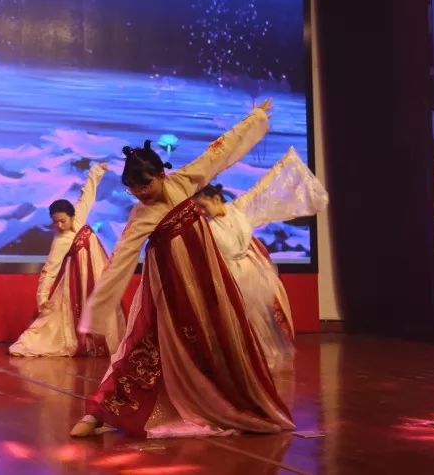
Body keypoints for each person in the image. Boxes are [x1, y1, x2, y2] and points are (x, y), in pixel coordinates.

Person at [71, 101, 294, 439]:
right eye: (133, 188)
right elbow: (119, 263)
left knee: (219, 339)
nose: (140, 193)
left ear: (161, 175)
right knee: (149, 343)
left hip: (208, 280)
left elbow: (220, 151)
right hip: (173, 287)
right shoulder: (141, 216)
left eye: (146, 184)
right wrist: (97, 311)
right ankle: (101, 412)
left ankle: (231, 402)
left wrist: (255, 119)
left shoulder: (184, 182)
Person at [194, 146, 328, 371]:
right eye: (199, 208)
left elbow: (261, 189)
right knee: (235, 322)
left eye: (203, 206)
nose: (202, 211)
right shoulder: (206, 227)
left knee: (260, 320)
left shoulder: (238, 208)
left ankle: (262, 360)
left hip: (251, 273)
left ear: (216, 199)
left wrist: (281, 166)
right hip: (229, 277)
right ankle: (237, 363)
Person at [9, 162, 124, 357]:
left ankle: (103, 343)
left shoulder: (79, 217)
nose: (60, 226)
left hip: (98, 272)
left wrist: (96, 170)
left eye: (63, 220)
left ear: (71, 216)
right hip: (78, 279)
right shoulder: (60, 241)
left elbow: (87, 193)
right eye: (55, 222)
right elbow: (49, 271)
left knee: (105, 309)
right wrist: (42, 298)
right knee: (64, 320)